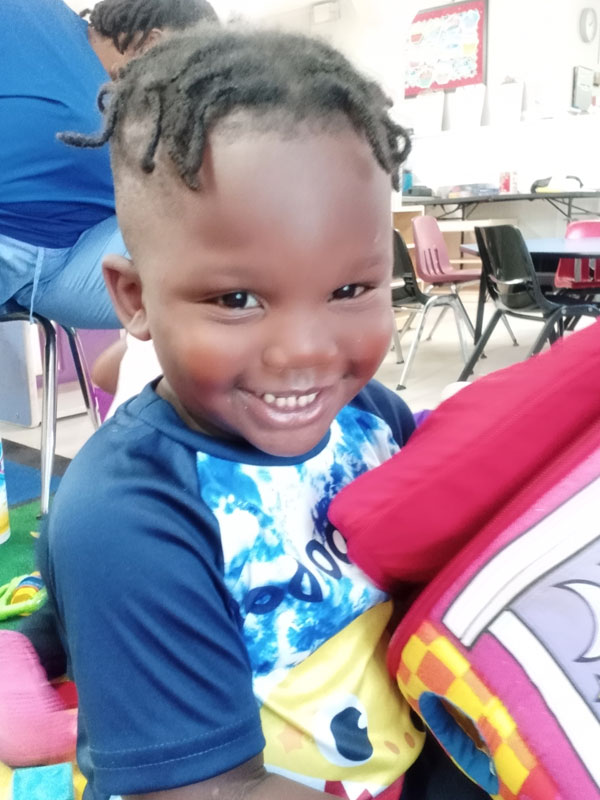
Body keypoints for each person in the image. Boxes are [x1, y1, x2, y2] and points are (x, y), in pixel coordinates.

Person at [5, 28, 491, 800]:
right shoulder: (130, 516)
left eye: (349, 290)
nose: (303, 351)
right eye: (237, 300)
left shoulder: (373, 420)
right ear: (133, 299)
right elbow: (210, 790)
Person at [0, 0, 218, 329]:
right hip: (10, 239)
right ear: (153, 42)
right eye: (184, 67)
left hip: (74, 258)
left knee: (224, 269)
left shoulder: (135, 106)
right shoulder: (27, 11)